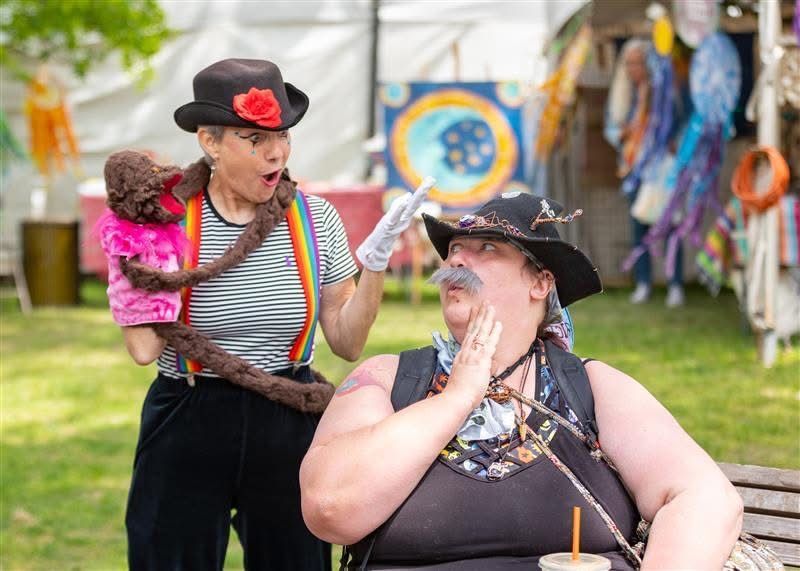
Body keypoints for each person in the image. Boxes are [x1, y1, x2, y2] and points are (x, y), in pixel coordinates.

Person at [300, 192, 742, 570]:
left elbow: (703, 498)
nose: (456, 258)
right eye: (454, 248)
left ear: (540, 283)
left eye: (488, 247)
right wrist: (455, 399)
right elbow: (329, 508)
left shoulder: (590, 388)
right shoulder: (388, 380)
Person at [113, 58, 430, 570]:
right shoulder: (165, 222)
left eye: (282, 135)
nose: (277, 151)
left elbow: (348, 341)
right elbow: (143, 350)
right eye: (254, 139)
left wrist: (375, 264)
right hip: (188, 413)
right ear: (209, 142)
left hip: (286, 413)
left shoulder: (314, 217)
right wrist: (132, 256)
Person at [604, 39, 685, 307]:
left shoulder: (665, 93)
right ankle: (643, 283)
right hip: (634, 169)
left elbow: (679, 124)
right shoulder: (622, 96)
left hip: (662, 169)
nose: (633, 68)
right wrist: (623, 134)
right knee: (639, 226)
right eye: (628, 63)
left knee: (671, 224)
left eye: (638, 62)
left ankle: (675, 285)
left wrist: (675, 143)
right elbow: (612, 129)